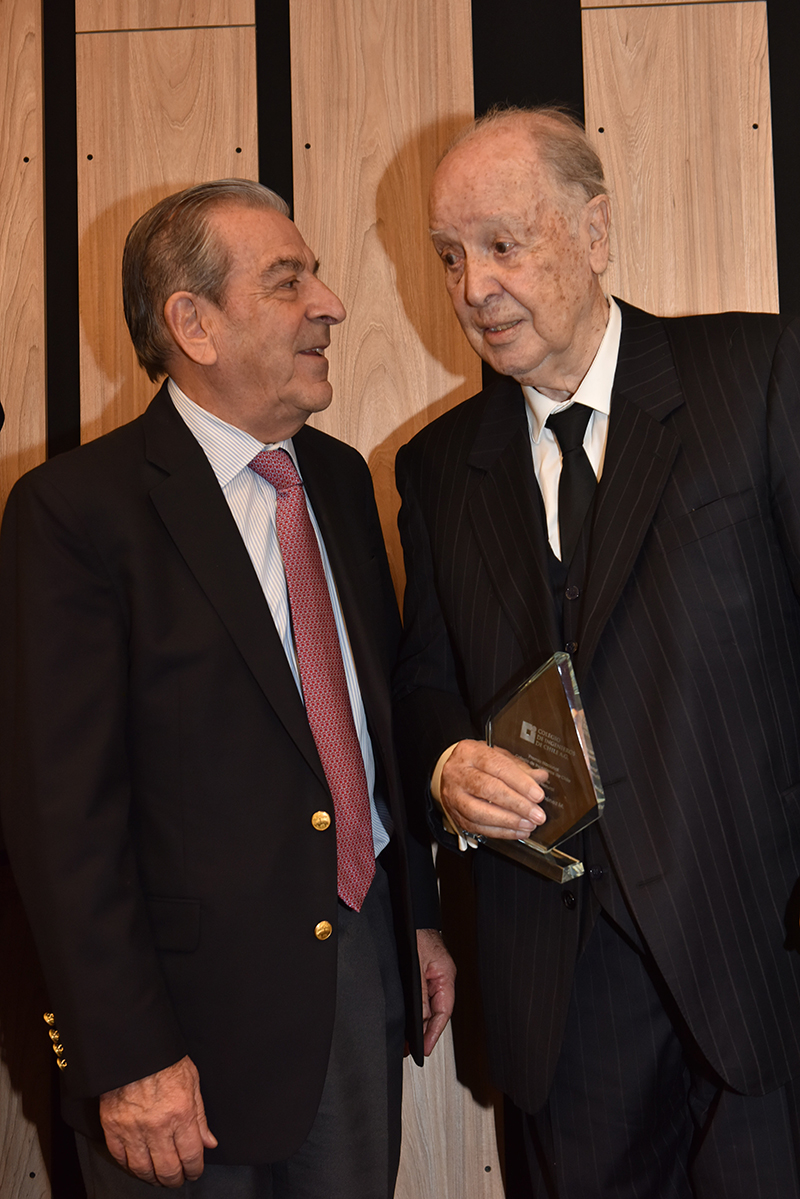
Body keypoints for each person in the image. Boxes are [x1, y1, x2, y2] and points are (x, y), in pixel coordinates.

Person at [0, 178, 455, 1198]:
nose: (330, 303)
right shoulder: (74, 513)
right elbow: (60, 820)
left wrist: (415, 914)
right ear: (192, 323)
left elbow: (370, 725)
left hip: (356, 981)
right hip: (176, 1035)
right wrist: (126, 1053)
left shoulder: (340, 480)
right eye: (289, 281)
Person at [393, 106, 800, 1197]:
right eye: (448, 256)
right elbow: (424, 681)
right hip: (563, 997)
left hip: (761, 953)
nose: (473, 287)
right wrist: (446, 763)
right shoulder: (435, 469)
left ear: (595, 230)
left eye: (502, 243)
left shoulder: (756, 372)